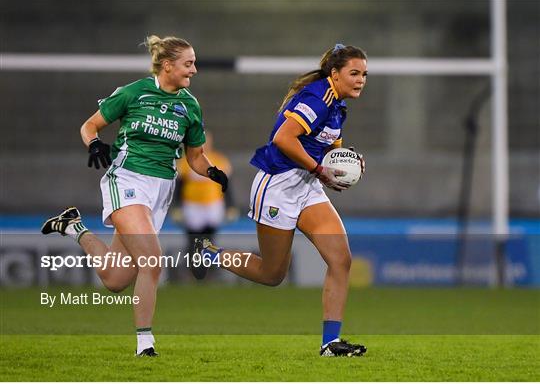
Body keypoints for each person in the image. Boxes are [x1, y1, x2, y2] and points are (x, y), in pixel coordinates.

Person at [40, 35, 228, 357]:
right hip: (128, 180)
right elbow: (89, 126)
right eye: (188, 63)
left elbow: (194, 156)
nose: (194, 70)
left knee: (115, 279)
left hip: (161, 190)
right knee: (153, 261)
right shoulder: (133, 93)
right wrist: (95, 143)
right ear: (167, 65)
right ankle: (145, 343)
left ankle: (73, 227)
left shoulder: (190, 106)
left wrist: (211, 172)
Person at [189, 44, 368, 357]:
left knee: (341, 259)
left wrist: (346, 164)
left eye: (364, 74)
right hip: (277, 185)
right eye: (354, 73)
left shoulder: (338, 107)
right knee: (272, 274)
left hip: (307, 185)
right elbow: (283, 139)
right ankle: (208, 253)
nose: (361, 79)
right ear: (335, 74)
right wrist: (319, 169)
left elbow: (327, 153)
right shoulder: (318, 97)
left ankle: (330, 343)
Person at [171, 131, 238, 272]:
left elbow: (227, 185)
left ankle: (209, 269)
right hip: (192, 204)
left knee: (210, 238)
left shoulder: (219, 160)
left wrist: (230, 205)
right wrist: (176, 206)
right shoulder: (187, 161)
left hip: (213, 204)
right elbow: (179, 185)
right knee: (193, 238)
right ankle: (193, 269)